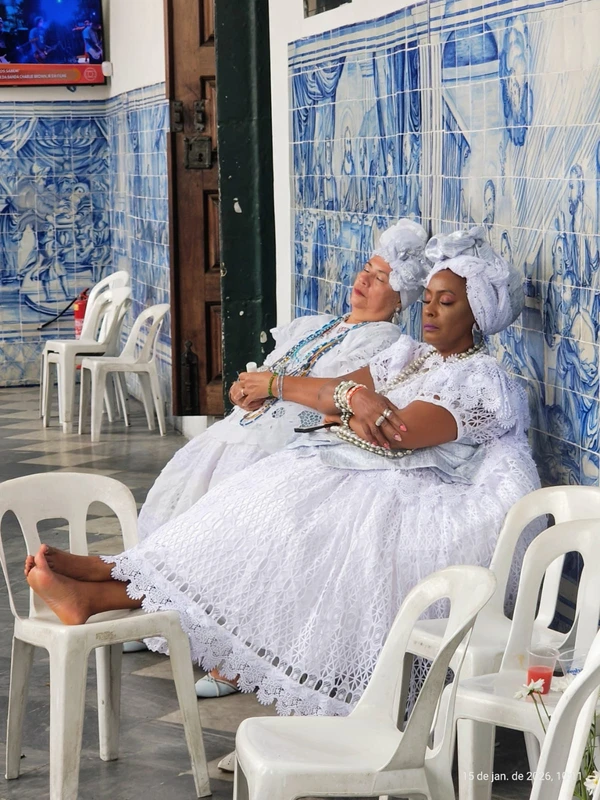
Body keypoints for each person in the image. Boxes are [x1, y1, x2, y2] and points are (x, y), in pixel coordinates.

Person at [25, 226, 540, 721]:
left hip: (425, 497)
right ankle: (112, 573)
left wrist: (347, 408)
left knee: (281, 526)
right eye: (427, 298)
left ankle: (104, 589)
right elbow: (334, 392)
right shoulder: (412, 355)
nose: (429, 310)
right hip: (360, 467)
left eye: (446, 302)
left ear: (477, 314)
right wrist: (337, 397)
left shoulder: (483, 380)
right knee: (242, 503)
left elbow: (398, 431)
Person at [137, 218, 430, 542]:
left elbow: (336, 393)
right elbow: (268, 371)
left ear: (399, 299)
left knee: (218, 533)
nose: (364, 279)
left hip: (278, 448)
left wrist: (272, 386)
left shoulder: (382, 339)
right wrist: (242, 390)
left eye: (380, 279)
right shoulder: (315, 326)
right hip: (235, 434)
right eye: (366, 269)